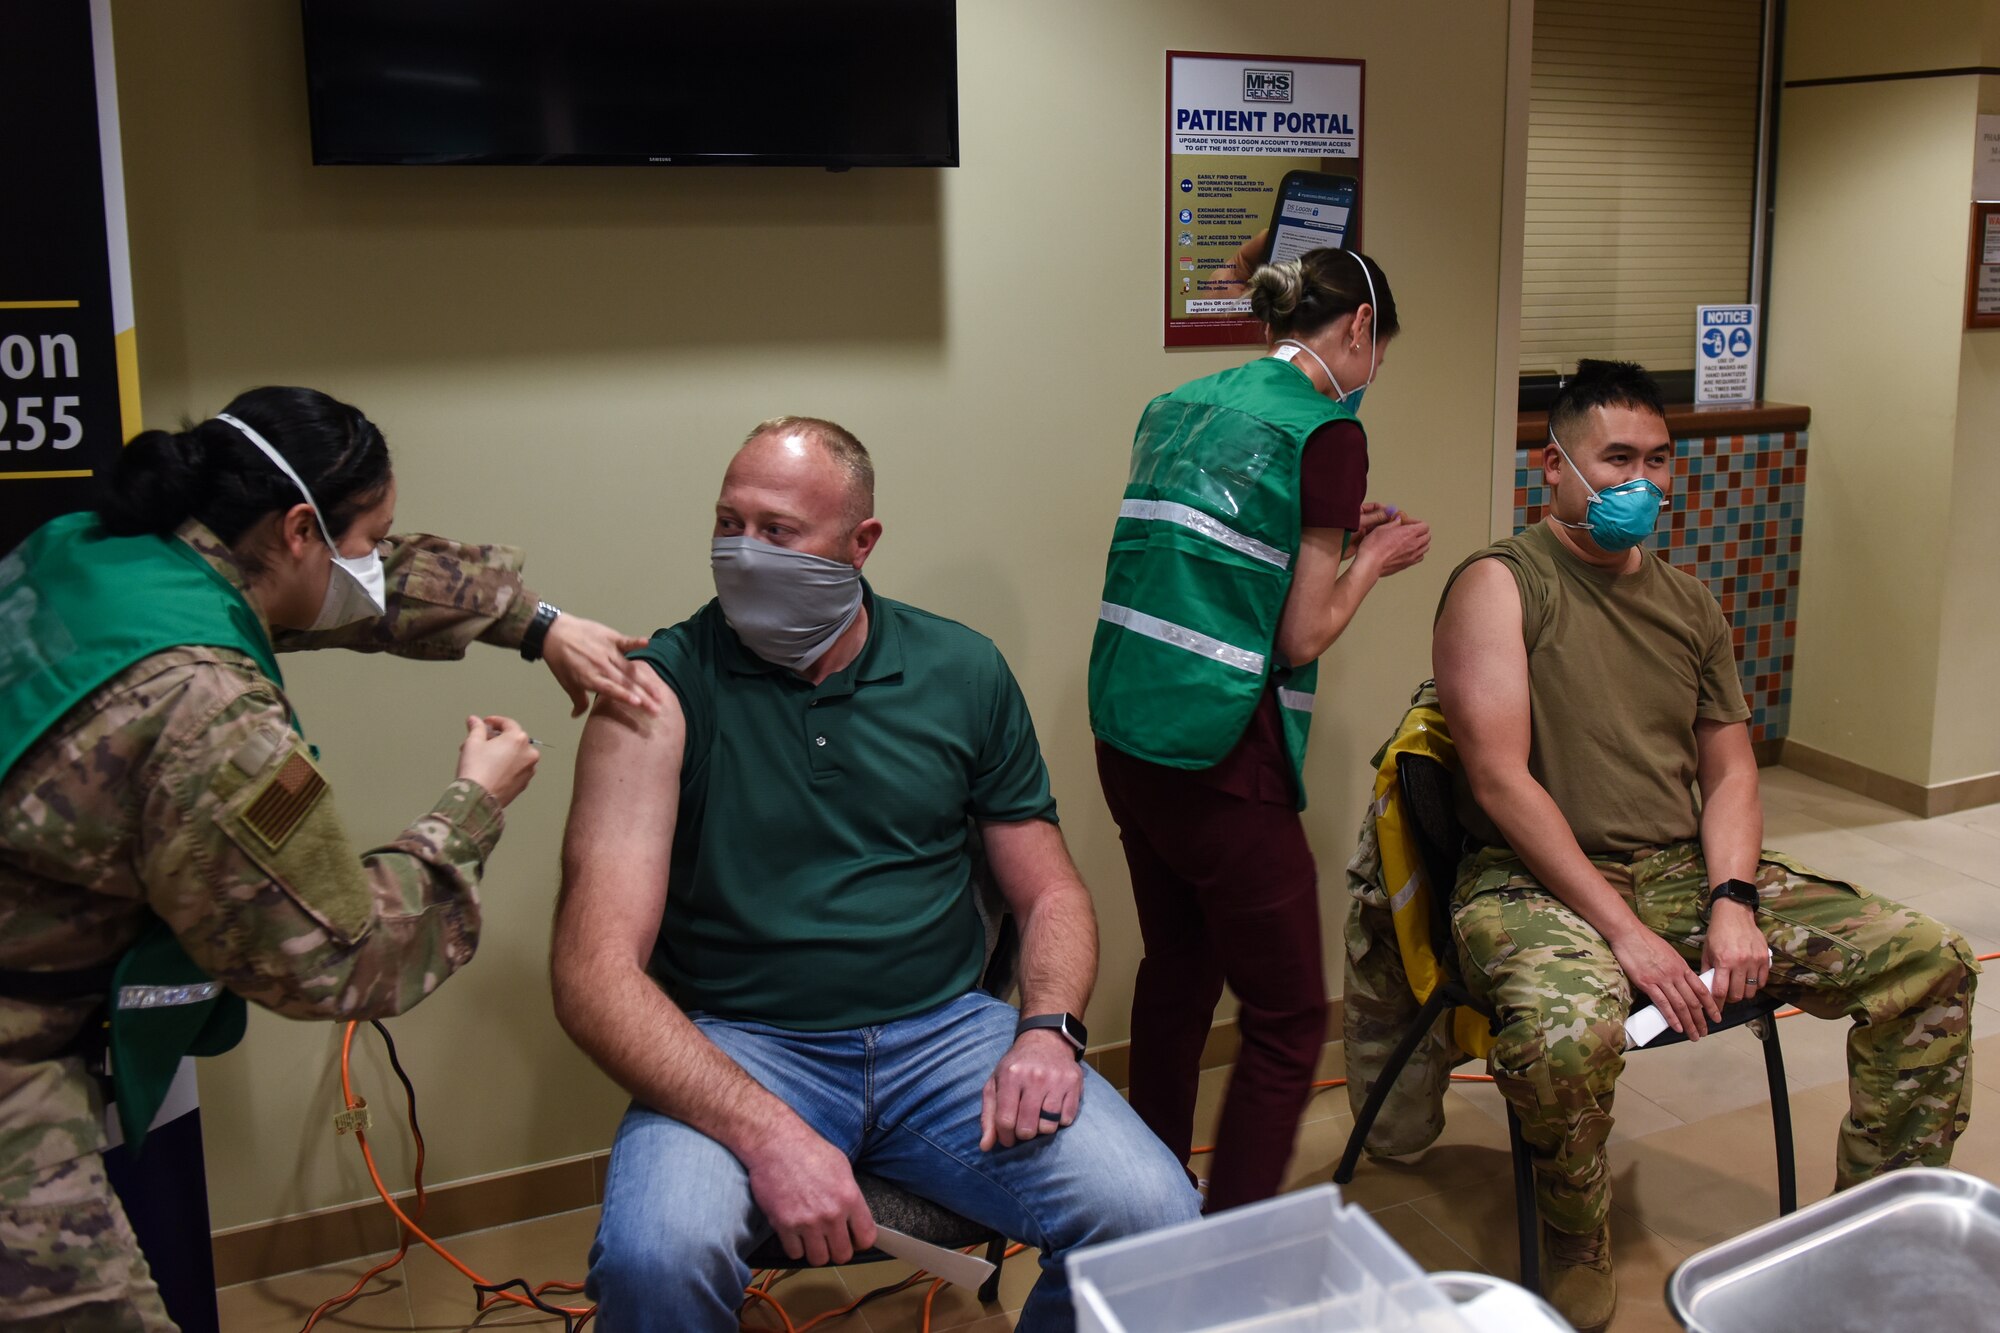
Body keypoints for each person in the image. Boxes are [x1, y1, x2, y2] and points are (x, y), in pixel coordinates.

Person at [0, 386, 667, 1332]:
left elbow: (349, 589)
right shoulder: (208, 714)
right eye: (368, 536)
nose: (376, 561)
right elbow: (342, 954)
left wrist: (538, 623)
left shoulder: (102, 555)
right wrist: (472, 805)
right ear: (301, 526)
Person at [552, 416, 1201, 1333]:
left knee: (1154, 1214)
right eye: (726, 524)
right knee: (657, 1260)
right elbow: (592, 974)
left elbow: (1050, 889)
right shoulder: (656, 695)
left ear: (861, 544)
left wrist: (1049, 1031)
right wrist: (768, 1131)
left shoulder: (961, 669)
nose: (741, 554)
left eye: (777, 532)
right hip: (743, 1044)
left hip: (942, 1035)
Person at [1431, 359, 1977, 1332]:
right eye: (1614, 459)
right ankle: (1571, 1230)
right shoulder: (1499, 585)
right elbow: (1497, 779)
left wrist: (1730, 898)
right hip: (1534, 881)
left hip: (1681, 872)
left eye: (1656, 458)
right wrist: (1624, 937)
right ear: (1550, 468)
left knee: (1926, 961)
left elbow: (1728, 773)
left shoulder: (1688, 604)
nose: (1639, 481)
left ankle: (1875, 1222)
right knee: (1566, 1039)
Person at [1088, 248, 1431, 1212]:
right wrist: (1374, 560)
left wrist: (1324, 533)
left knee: (1180, 968)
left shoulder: (1178, 405)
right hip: (1218, 754)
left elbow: (1210, 546)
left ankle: (1145, 1204)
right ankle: (1227, 1252)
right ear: (1359, 328)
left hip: (1129, 734)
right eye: (1381, 351)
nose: (1374, 373)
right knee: (1284, 1018)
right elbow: (1299, 633)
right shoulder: (1326, 431)